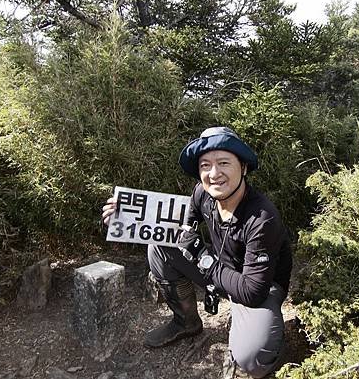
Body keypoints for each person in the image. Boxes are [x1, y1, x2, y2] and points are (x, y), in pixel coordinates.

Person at [101, 127, 292, 378]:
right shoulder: (202, 193)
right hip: (218, 269)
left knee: (252, 360)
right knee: (160, 248)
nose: (214, 174)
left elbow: (253, 291)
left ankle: (270, 341)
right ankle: (186, 322)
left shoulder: (261, 218)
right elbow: (175, 227)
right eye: (205, 165)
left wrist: (203, 257)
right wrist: (126, 216)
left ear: (243, 167)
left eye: (224, 162)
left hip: (258, 287)